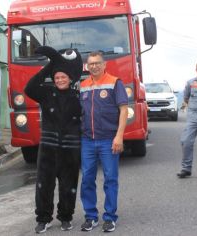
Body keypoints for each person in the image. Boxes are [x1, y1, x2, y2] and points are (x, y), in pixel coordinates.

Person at [24, 46, 83, 234]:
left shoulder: (79, 96)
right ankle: (43, 219)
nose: (59, 80)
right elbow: (29, 88)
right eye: (57, 77)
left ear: (70, 78)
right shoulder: (46, 93)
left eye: (63, 77)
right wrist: (52, 66)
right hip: (48, 148)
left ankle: (66, 217)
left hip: (71, 148)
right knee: (44, 185)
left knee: (69, 186)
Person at [80, 51, 128, 232]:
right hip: (87, 141)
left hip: (109, 139)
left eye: (97, 63)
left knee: (110, 179)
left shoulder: (115, 82)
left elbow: (124, 110)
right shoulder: (83, 85)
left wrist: (119, 136)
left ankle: (109, 217)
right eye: (91, 63)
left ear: (104, 64)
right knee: (87, 179)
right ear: (87, 66)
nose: (94, 66)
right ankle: (91, 216)